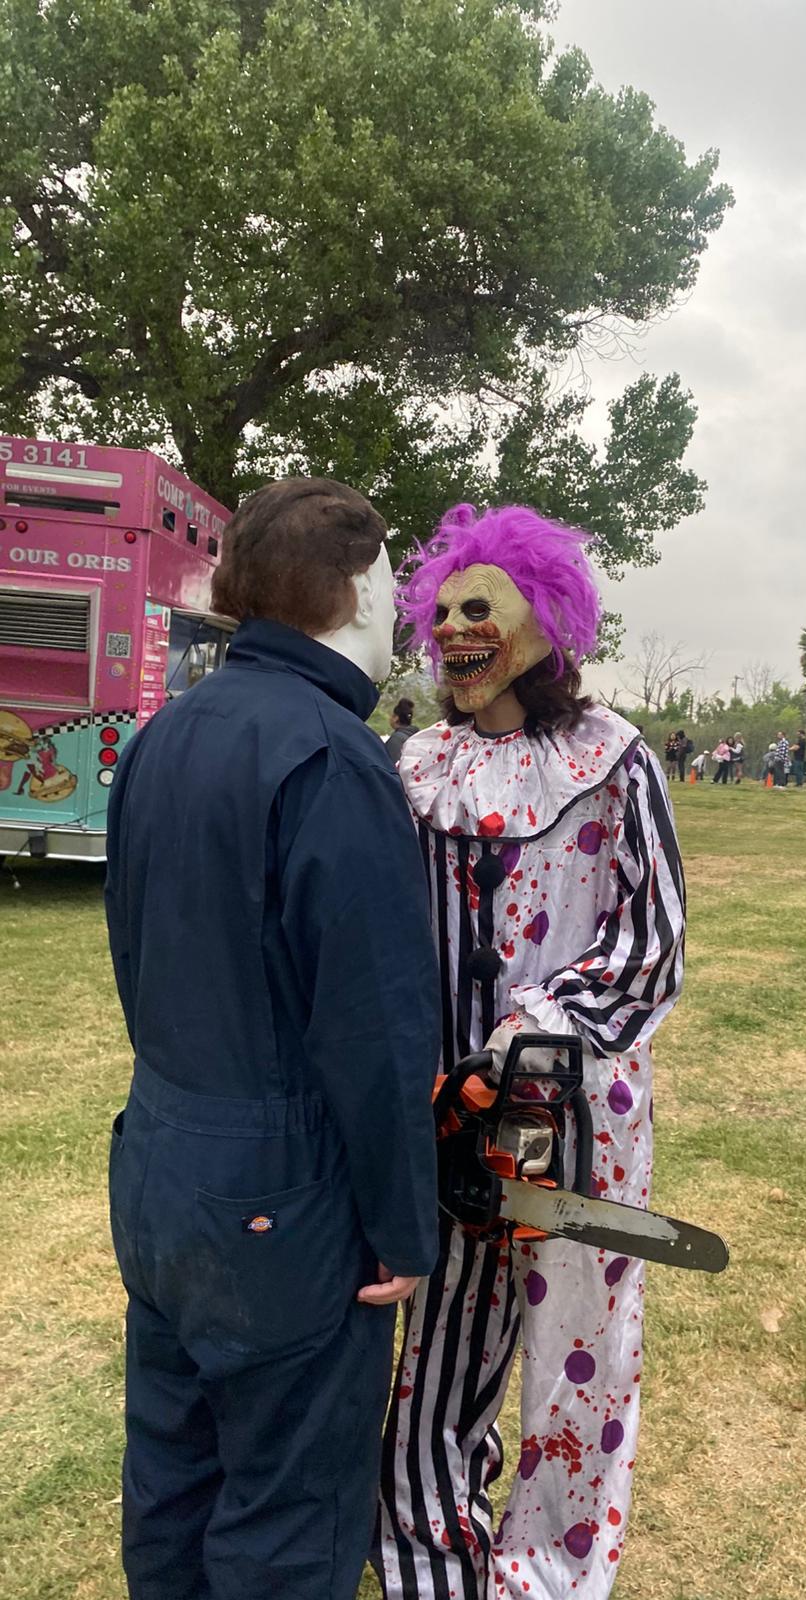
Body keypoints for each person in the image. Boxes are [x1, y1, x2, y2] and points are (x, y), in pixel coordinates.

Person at [104, 480, 442, 1600]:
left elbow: (132, 949)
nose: (400, 608)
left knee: (174, 1466)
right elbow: (377, 1030)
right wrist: (403, 1225)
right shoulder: (335, 757)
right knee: (289, 1506)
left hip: (160, 1162)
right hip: (279, 1197)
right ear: (355, 590)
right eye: (391, 579)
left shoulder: (161, 735)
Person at [381, 504, 686, 1600]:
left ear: (545, 622)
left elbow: (650, 945)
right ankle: (429, 1556)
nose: (455, 629)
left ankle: (551, 1569)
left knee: (578, 1363)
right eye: (442, 611)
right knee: (440, 1348)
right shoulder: (419, 764)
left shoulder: (614, 760)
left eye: (482, 608)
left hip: (579, 1121)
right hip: (448, 1116)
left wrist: (534, 1033)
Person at [384, 695, 418, 760]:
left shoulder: (396, 739)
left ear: (396, 718)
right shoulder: (417, 736)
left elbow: (391, 762)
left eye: (392, 716)